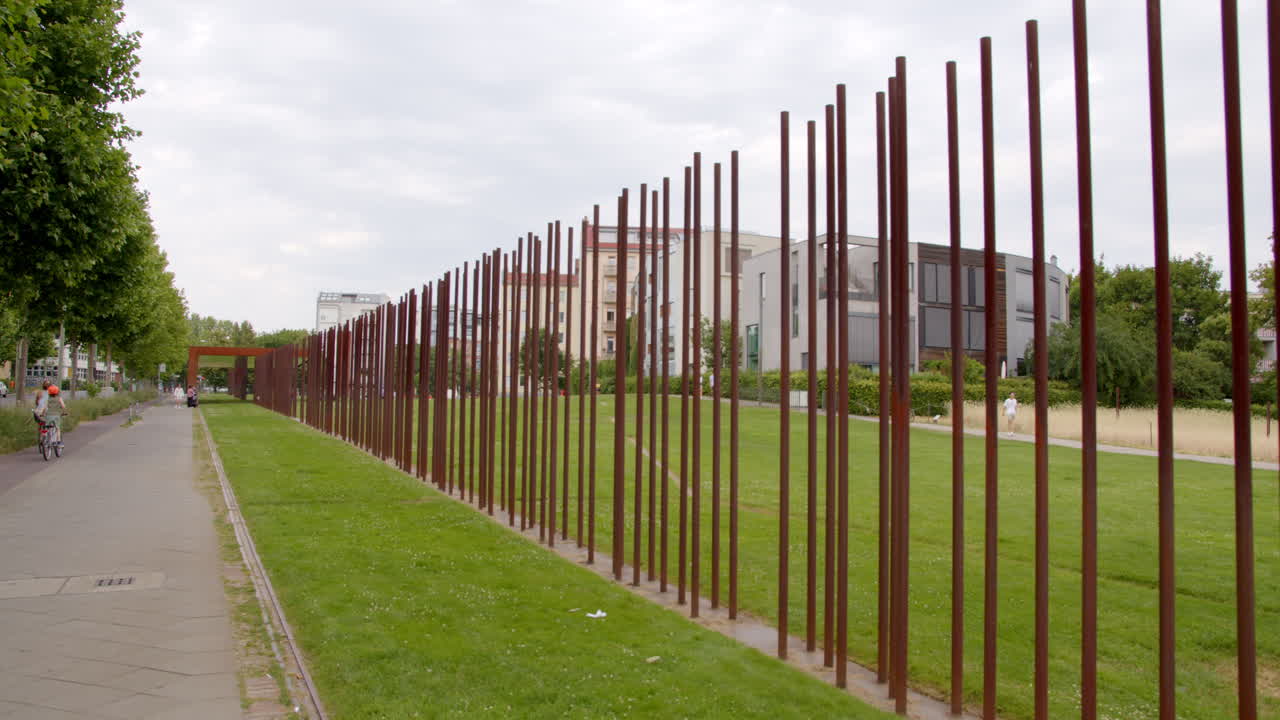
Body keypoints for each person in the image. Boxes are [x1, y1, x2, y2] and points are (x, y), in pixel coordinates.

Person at [34, 380, 67, 447]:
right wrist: (64, 412)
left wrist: (41, 413)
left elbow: (39, 404)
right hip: (55, 415)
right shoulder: (58, 398)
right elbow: (63, 406)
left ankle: (42, 438)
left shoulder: (40, 393)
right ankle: (57, 441)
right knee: (57, 428)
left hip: (42, 414)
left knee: (44, 426)